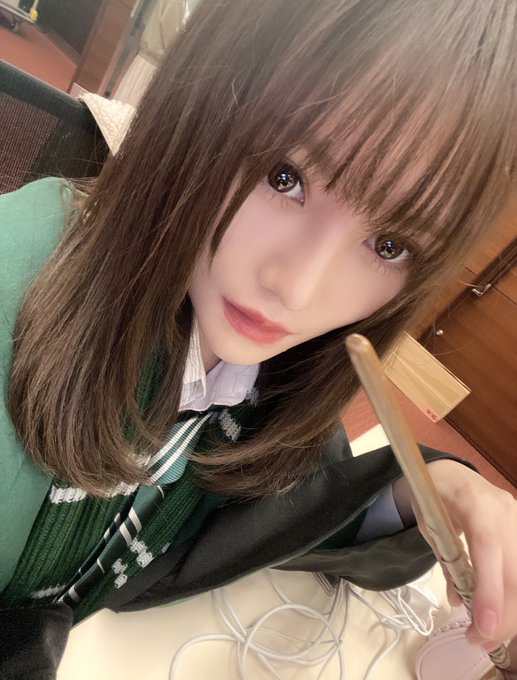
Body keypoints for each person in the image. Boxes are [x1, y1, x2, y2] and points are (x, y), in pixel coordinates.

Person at [1, 0, 516, 677]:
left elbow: (264, 510)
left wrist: (432, 489)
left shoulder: (265, 366)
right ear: (198, 101)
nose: (296, 290)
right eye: (284, 176)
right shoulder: (17, 287)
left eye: (390, 244)